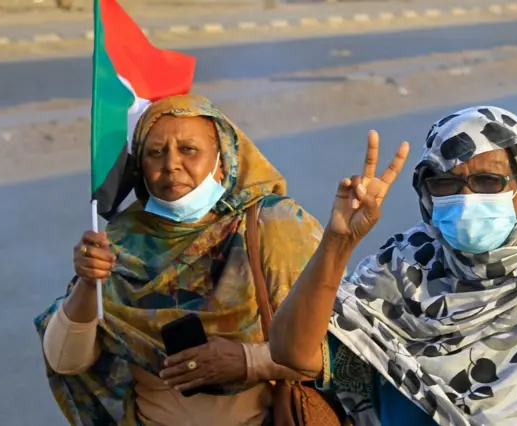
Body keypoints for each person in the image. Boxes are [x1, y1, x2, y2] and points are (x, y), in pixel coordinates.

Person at [269, 106, 517, 425]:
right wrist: (339, 242)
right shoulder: (402, 270)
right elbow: (291, 352)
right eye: (445, 183)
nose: (466, 198)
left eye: (488, 182)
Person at [34, 94, 325, 425]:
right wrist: (88, 284)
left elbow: (330, 351)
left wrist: (248, 361)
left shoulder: (275, 227)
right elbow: (66, 361)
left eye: (188, 150)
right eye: (155, 153)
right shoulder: (119, 242)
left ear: (223, 160)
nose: (170, 164)